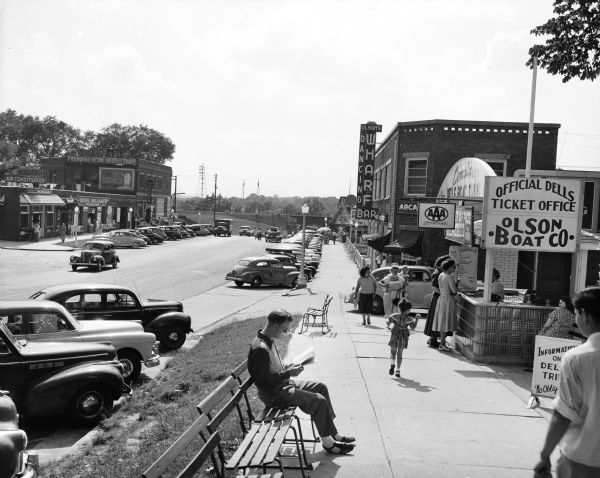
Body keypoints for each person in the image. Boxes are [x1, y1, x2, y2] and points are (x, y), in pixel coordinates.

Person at [248, 308, 356, 455]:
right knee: (319, 400)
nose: (285, 333)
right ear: (274, 327)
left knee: (320, 387)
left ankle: (333, 433)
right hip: (274, 394)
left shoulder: (268, 340)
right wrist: (288, 373)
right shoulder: (260, 348)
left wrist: (289, 367)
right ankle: (328, 443)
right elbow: (262, 382)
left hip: (282, 386)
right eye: (284, 330)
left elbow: (272, 368)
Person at [533, 287, 600, 478]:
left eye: (577, 313)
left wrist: (545, 455)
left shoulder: (576, 358)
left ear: (585, 316)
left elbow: (563, 414)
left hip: (581, 458)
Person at [424, 255, 451, 348]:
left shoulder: (440, 272)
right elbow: (434, 287)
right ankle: (433, 339)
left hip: (438, 297)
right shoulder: (438, 273)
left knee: (436, 318)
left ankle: (433, 339)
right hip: (438, 298)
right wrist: (443, 294)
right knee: (437, 319)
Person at [386, 298, 417, 378]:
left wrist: (386, 319)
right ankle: (398, 370)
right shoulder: (409, 319)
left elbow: (388, 323)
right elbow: (413, 327)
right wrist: (416, 319)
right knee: (400, 354)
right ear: (408, 310)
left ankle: (392, 364)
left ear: (399, 308)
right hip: (403, 337)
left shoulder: (394, 316)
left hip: (395, 336)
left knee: (393, 352)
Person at [431, 258, 458, 352]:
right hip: (448, 300)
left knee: (442, 321)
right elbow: (454, 291)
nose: (455, 268)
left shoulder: (441, 275)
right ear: (450, 267)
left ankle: (442, 343)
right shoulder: (449, 276)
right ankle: (442, 344)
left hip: (441, 298)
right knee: (446, 322)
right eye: (454, 267)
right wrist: (457, 283)